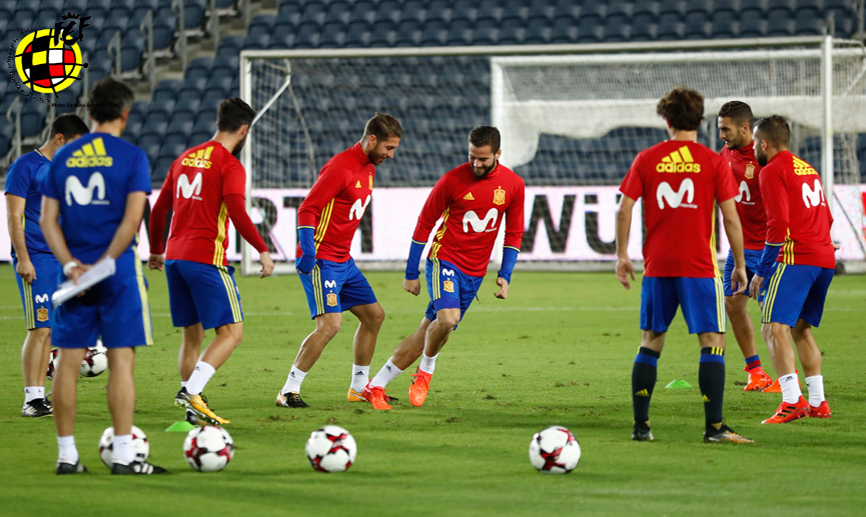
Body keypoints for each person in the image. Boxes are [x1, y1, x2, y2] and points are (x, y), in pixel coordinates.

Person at [40, 77, 165, 474]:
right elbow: (132, 221)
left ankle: (66, 457)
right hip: (118, 274)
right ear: (125, 114)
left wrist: (70, 265)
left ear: (90, 113)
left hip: (74, 276)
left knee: (69, 363)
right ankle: (125, 459)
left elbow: (47, 220)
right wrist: (104, 263)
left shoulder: (62, 157)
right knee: (121, 361)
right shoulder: (131, 157)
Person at [615, 86, 753, 444]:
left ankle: (641, 427)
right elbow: (731, 219)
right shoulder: (713, 161)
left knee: (651, 340)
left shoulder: (647, 158)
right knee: (712, 340)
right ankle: (715, 428)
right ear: (701, 120)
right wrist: (739, 264)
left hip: (658, 265)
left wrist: (622, 255)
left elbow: (624, 207)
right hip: (698, 266)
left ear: (666, 119)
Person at [364, 125, 525, 410]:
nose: (476, 164)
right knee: (447, 320)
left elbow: (513, 234)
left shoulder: (513, 185)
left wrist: (505, 275)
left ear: (498, 154)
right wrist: (411, 273)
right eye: (472, 157)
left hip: (475, 274)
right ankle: (425, 373)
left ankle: (376, 385)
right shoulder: (452, 180)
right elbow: (424, 225)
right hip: (444, 260)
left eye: (483, 159)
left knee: (429, 331)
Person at [148, 98, 274, 426]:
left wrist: (155, 249)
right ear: (244, 130)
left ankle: (192, 406)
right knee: (232, 332)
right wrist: (261, 249)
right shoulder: (230, 165)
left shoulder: (184, 158)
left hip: (175, 258)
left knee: (193, 335)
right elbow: (236, 211)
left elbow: (160, 208)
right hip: (206, 259)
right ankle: (191, 391)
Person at [275, 112, 402, 408]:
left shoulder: (369, 166)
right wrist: (308, 250)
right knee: (331, 324)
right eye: (388, 148)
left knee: (374, 316)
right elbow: (307, 209)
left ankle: (359, 388)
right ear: (372, 140)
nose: (391, 155)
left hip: (344, 261)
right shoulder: (340, 167)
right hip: (322, 260)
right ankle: (288, 390)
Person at [748, 115, 835, 424]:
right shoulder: (806, 167)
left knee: (772, 327)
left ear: (764, 143)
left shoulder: (772, 171)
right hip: (824, 258)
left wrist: (762, 269)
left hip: (796, 259)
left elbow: (778, 223)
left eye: (756, 142)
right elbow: (826, 215)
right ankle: (817, 402)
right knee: (800, 329)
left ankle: (791, 401)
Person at [5, 114, 89, 418]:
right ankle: (32, 399)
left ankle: (47, 390)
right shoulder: (26, 166)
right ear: (59, 139)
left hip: (64, 258)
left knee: (55, 328)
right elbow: (15, 216)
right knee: (40, 327)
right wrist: (23, 258)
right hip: (37, 257)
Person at [717, 101, 775, 391]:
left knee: (773, 318)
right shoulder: (724, 153)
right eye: (719, 129)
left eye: (725, 129)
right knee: (732, 304)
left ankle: (786, 379)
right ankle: (755, 371)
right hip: (740, 248)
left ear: (744, 127)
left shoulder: (765, 155)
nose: (721, 135)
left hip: (769, 247)